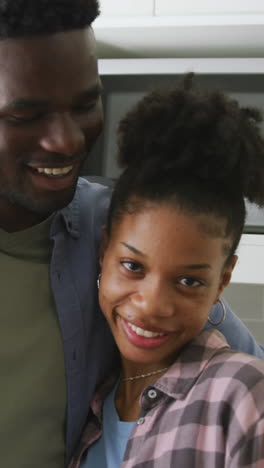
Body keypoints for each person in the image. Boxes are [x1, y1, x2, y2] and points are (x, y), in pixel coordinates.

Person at [0, 1, 262, 467]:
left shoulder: (112, 223)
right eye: (25, 115)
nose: (66, 141)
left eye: (84, 104)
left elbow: (234, 368)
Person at [70, 75, 264, 467]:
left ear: (222, 280)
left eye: (189, 281)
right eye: (133, 266)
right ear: (104, 250)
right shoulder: (93, 409)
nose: (152, 305)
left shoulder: (243, 393)